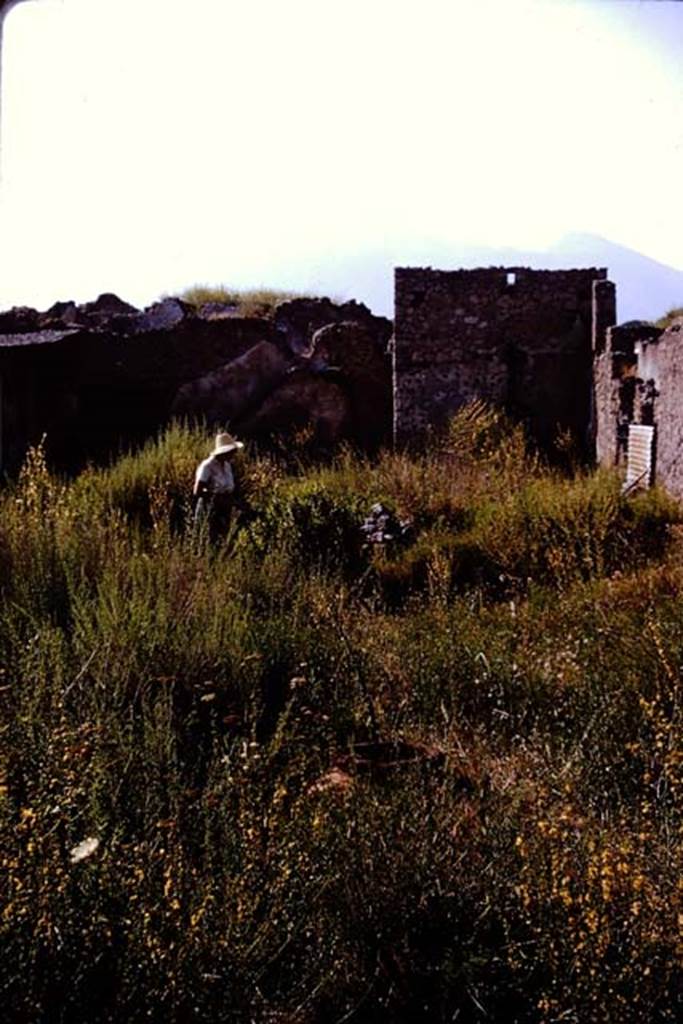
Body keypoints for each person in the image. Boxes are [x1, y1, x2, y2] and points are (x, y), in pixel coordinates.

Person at [193, 432, 244, 538]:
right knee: (208, 539)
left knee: (224, 539)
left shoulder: (227, 466)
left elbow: (229, 488)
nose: (234, 454)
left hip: (224, 509)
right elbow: (197, 490)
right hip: (209, 509)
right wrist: (216, 498)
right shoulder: (207, 466)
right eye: (231, 451)